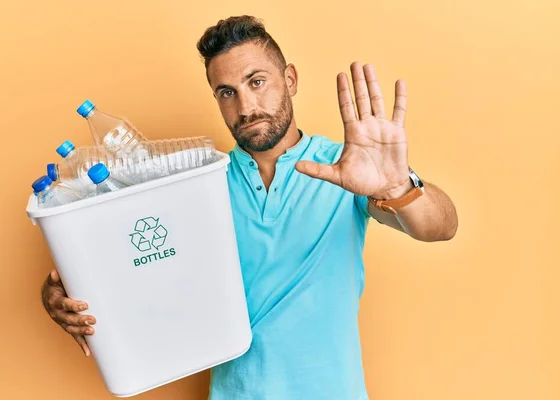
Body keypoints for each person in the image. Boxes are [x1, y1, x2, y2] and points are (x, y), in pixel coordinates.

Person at [41, 15, 458, 400]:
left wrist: (398, 185)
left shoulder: (349, 169)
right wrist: (66, 292)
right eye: (227, 92)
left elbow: (440, 226)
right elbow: (141, 266)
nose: (245, 106)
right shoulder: (200, 187)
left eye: (256, 82)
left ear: (289, 79)